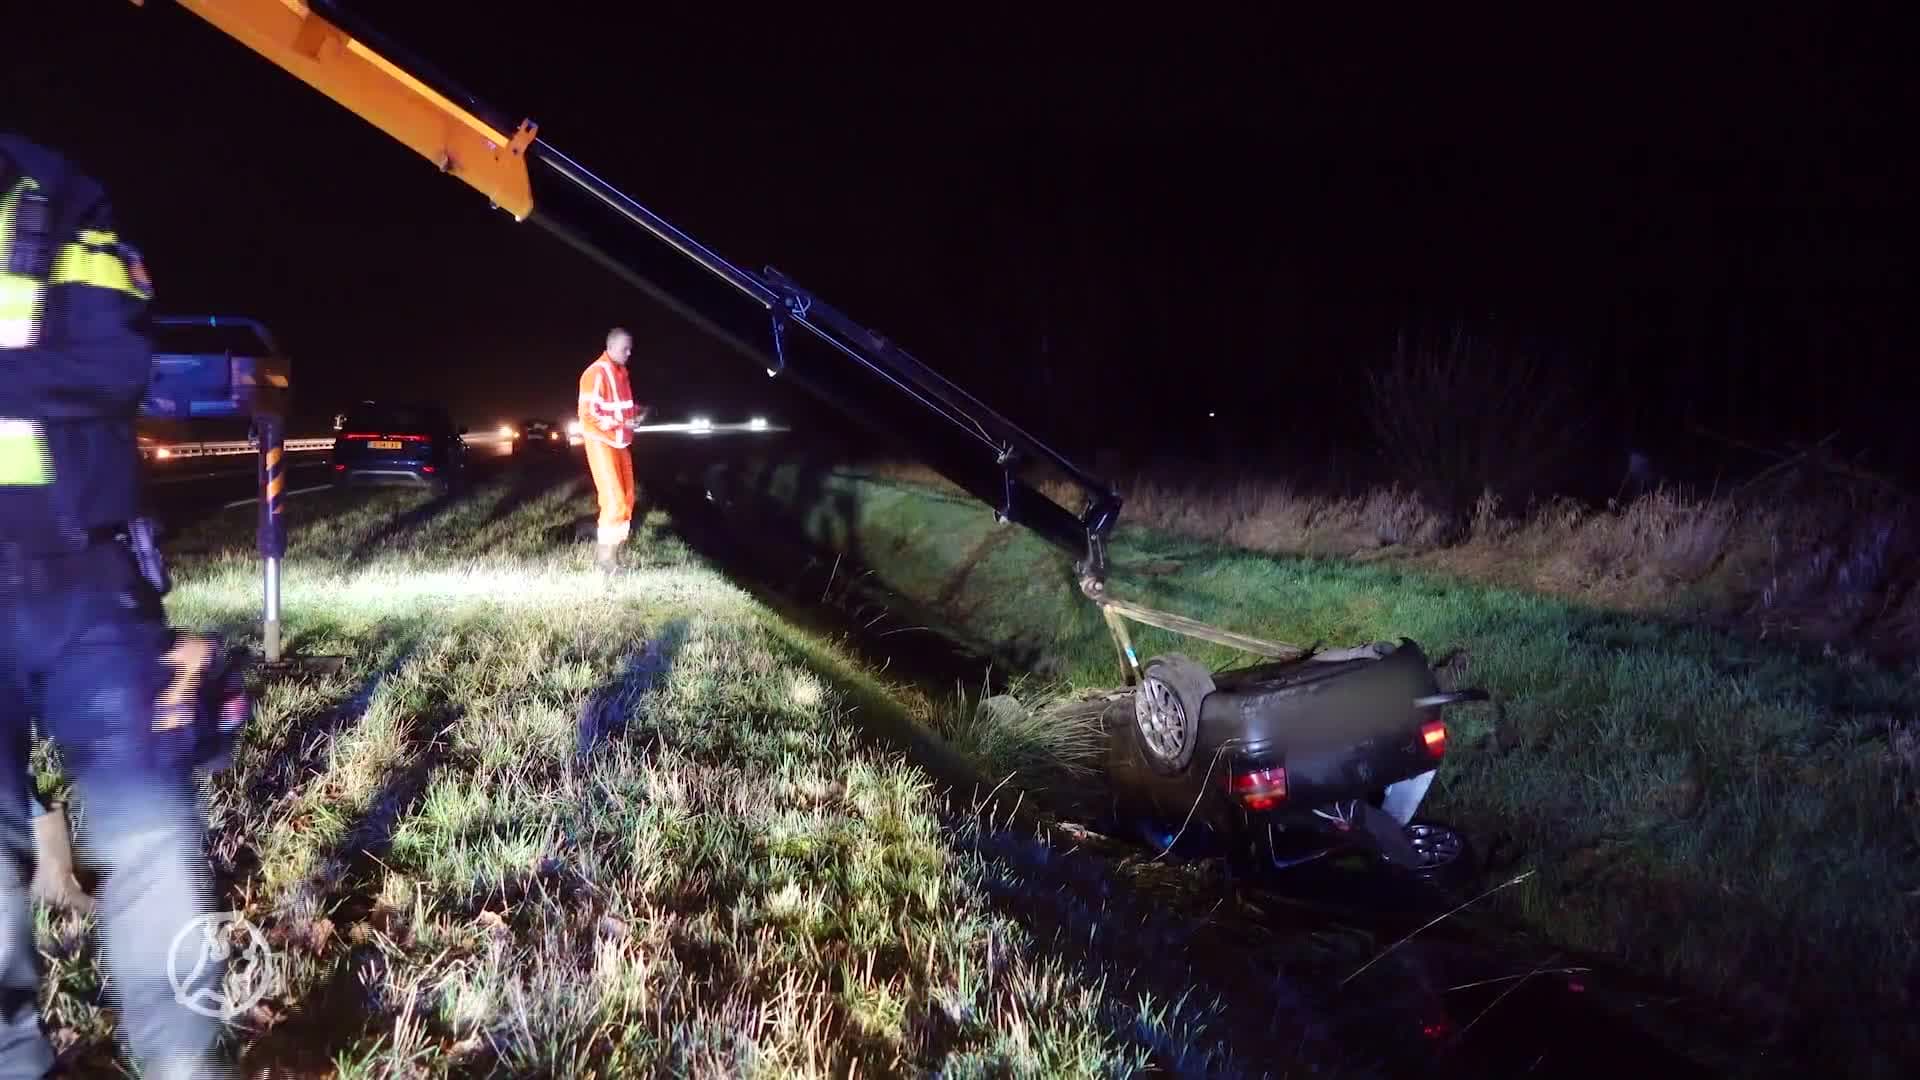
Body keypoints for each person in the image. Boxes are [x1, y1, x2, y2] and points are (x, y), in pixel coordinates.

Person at [2, 133, 236, 1077]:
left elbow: (107, 369)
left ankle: (183, 1063)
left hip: (82, 582)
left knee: (148, 841)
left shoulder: (59, 204)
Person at [576, 327, 649, 571]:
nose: (629, 353)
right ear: (610, 346)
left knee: (627, 499)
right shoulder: (595, 372)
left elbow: (619, 408)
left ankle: (614, 557)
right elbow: (587, 414)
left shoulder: (621, 373)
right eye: (624, 348)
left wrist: (636, 413)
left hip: (620, 442)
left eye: (631, 349)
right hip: (601, 442)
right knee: (613, 499)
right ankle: (605, 560)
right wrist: (622, 422)